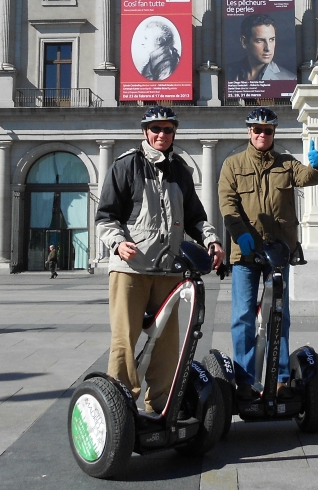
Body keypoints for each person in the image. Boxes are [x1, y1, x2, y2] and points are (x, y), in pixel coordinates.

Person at [95, 106, 224, 413]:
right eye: (155, 129)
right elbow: (105, 217)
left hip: (169, 271)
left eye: (167, 130)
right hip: (131, 269)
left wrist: (212, 239)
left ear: (174, 133)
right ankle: (120, 407)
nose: (161, 135)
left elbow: (195, 217)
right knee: (125, 340)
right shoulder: (126, 166)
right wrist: (118, 242)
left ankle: (161, 406)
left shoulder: (180, 170)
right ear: (145, 132)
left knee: (167, 344)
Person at [218, 107, 318, 398]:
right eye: (257, 130)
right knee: (242, 316)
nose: (262, 134)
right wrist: (239, 232)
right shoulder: (232, 164)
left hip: (278, 252)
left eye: (267, 131)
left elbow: (309, 178)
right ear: (249, 132)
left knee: (279, 315)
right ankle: (244, 380)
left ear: (273, 134)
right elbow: (227, 203)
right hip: (246, 252)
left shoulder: (287, 163)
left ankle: (279, 378)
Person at [227, 14, 297, 82]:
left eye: (271, 39)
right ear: (244, 42)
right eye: (260, 40)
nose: (268, 48)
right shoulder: (227, 73)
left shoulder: (288, 79)